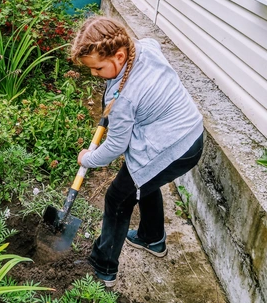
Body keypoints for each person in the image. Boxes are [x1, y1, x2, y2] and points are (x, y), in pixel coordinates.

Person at [71, 15, 203, 287]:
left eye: (97, 68)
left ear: (119, 56)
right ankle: (152, 238)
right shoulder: (141, 47)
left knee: (118, 198)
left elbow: (116, 146)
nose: (94, 74)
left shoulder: (124, 98)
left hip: (173, 146)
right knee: (144, 182)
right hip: (191, 132)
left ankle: (103, 267)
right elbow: (153, 41)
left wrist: (88, 158)